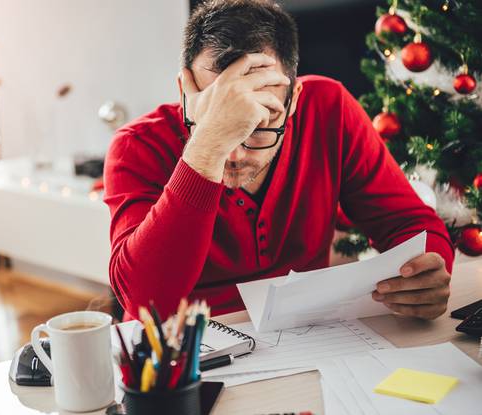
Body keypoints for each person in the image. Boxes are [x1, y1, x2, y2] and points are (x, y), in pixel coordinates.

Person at [103, 0, 453, 320]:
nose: (235, 154)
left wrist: (428, 271)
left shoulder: (328, 107)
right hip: (185, 350)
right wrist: (205, 148)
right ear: (185, 90)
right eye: (213, 116)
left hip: (302, 336)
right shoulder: (136, 146)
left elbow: (409, 224)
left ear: (294, 99)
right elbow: (144, 302)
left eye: (259, 124)